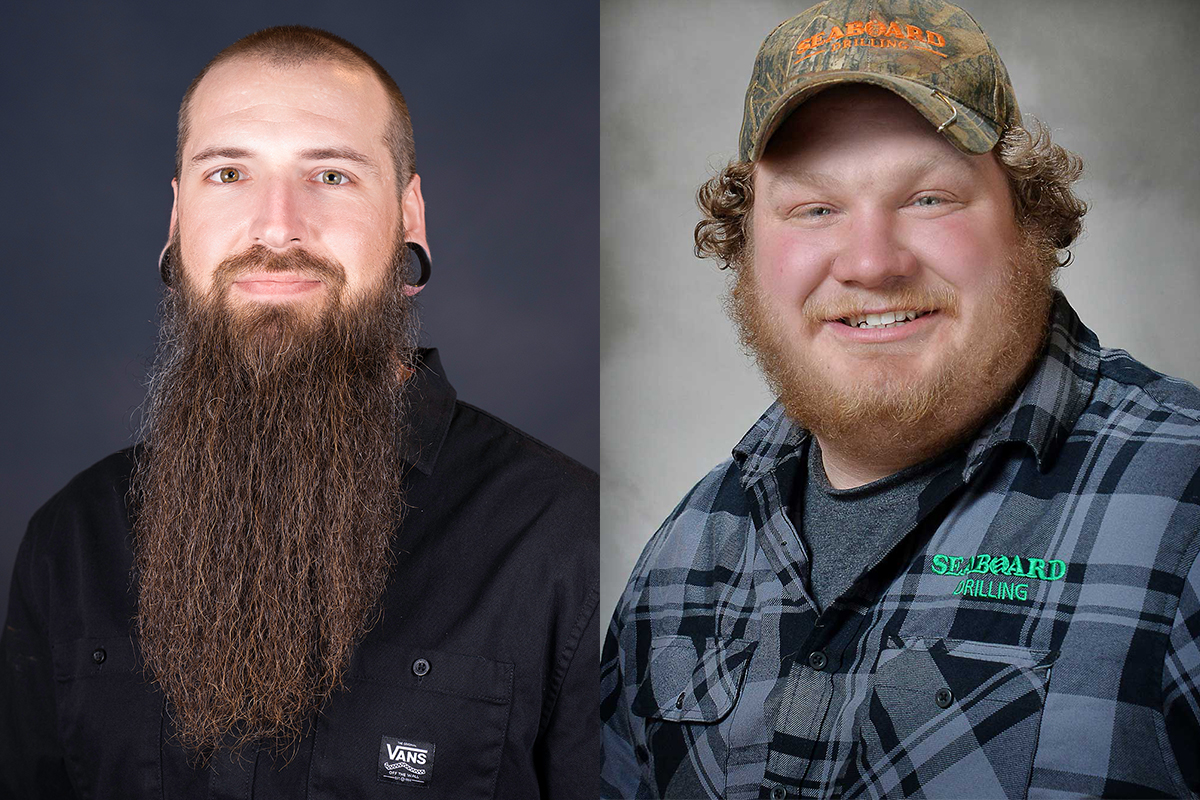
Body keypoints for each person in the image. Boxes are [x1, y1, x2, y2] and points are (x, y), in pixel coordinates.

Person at [600, 0, 1200, 797]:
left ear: (1029, 217)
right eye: (816, 209)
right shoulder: (686, 552)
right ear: (744, 248)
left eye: (928, 199)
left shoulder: (1183, 506)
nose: (872, 263)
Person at [0, 26, 598, 799]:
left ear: (409, 217)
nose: (277, 228)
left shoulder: (569, 544)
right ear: (177, 221)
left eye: (331, 175)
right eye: (228, 173)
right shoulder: (71, 541)